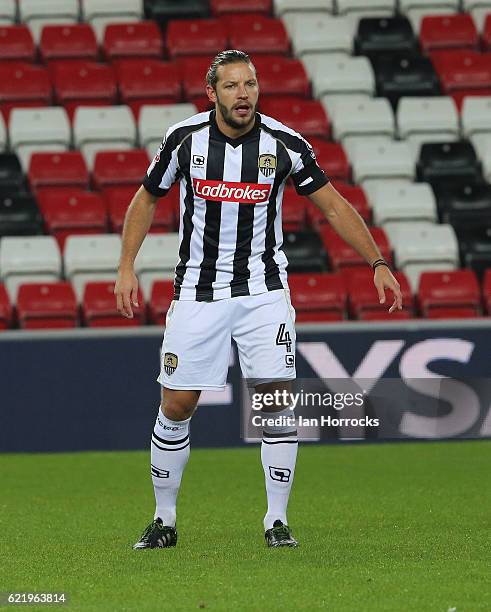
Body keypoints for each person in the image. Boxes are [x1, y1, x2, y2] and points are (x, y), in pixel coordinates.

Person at [114, 49, 403, 550]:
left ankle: (276, 521)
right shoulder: (184, 140)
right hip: (198, 292)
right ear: (212, 94)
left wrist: (377, 262)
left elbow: (332, 205)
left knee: (275, 404)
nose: (242, 94)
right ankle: (164, 519)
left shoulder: (284, 143)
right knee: (177, 403)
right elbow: (146, 198)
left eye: (249, 84)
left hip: (264, 293)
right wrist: (125, 266)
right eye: (231, 86)